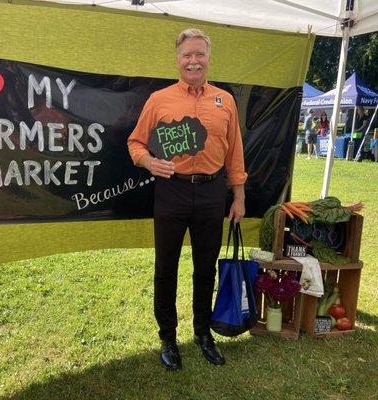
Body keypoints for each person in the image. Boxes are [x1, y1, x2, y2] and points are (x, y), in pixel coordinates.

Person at [128, 28, 247, 371]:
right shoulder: (160, 100)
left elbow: (235, 153)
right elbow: (135, 143)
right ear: (177, 60)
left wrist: (238, 196)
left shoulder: (225, 100)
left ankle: (202, 333)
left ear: (208, 57)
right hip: (172, 190)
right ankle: (168, 337)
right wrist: (149, 161)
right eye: (187, 55)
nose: (193, 61)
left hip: (212, 192)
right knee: (166, 267)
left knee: (205, 267)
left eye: (199, 54)